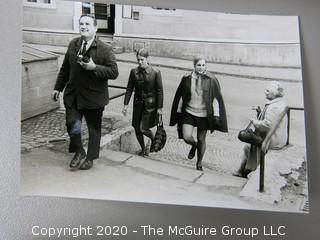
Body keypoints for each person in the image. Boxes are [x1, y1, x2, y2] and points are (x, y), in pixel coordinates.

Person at [51, 14, 119, 170]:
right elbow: (65, 69)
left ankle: (91, 157)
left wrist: (95, 68)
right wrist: (57, 88)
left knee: (93, 130)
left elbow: (114, 72)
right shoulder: (73, 44)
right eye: (81, 24)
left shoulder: (105, 49)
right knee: (72, 125)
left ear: (95, 28)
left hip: (94, 97)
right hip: (73, 95)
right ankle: (79, 151)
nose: (83, 27)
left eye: (87, 24)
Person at [169, 57, 228, 171]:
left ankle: (199, 163)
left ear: (206, 66)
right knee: (186, 137)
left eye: (203, 65)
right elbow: (181, 96)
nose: (201, 68)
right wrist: (179, 112)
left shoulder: (211, 79)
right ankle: (193, 145)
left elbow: (216, 98)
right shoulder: (187, 78)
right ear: (194, 65)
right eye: (198, 65)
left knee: (201, 139)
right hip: (189, 112)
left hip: (204, 115)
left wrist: (216, 114)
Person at [233, 81, 288, 178]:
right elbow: (270, 121)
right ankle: (242, 170)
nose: (265, 92)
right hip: (275, 137)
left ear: (275, 93)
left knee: (248, 147)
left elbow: (267, 125)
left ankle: (245, 171)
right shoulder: (277, 103)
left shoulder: (274, 107)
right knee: (248, 147)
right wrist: (259, 112)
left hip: (272, 140)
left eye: (268, 91)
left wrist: (254, 121)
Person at [122, 49, 163, 157]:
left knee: (143, 128)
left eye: (142, 59)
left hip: (150, 105)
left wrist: (160, 108)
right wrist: (125, 104)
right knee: (136, 128)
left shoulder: (155, 72)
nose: (140, 62)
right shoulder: (133, 72)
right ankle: (143, 148)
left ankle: (154, 139)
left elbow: (159, 91)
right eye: (138, 60)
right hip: (138, 104)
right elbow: (129, 89)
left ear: (148, 59)